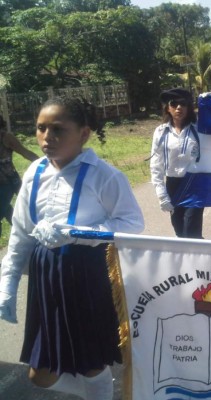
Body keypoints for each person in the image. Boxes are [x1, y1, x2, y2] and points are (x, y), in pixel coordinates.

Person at [0, 97, 144, 399]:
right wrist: (8, 283)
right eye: (40, 129)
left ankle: (99, 391)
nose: (46, 138)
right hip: (47, 279)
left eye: (57, 130)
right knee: (40, 373)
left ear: (83, 134)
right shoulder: (35, 173)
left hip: (87, 276)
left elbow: (132, 224)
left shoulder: (104, 175)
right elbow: (21, 232)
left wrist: (77, 234)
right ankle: (97, 393)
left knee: (91, 362)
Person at [150, 88, 204, 238]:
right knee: (180, 231)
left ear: (189, 107)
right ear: (168, 108)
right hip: (173, 185)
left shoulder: (200, 128)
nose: (179, 107)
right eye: (174, 104)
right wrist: (162, 194)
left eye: (183, 104)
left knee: (191, 232)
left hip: (195, 185)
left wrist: (209, 105)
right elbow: (156, 164)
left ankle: (195, 259)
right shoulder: (160, 132)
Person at [0, 115, 39, 237]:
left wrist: (47, 164)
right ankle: (31, 237)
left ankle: (34, 237)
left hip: (7, 183)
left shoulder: (5, 137)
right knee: (10, 214)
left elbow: (25, 152)